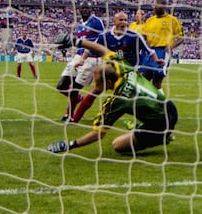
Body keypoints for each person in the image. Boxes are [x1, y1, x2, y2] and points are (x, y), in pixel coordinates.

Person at [47, 33, 178, 155]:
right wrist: (76, 41)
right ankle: (155, 132)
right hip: (170, 108)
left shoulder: (116, 100)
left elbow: (98, 134)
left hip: (161, 124)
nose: (95, 86)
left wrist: (70, 144)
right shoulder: (124, 67)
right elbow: (102, 49)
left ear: (108, 82)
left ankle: (161, 137)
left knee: (118, 145)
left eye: (97, 83)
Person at [70, 11, 160, 122]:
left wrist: (157, 59)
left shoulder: (134, 36)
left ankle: (155, 117)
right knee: (96, 91)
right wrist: (82, 60)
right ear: (114, 21)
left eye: (126, 20)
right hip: (111, 71)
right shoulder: (105, 36)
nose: (124, 22)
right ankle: (75, 119)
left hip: (129, 73)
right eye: (121, 20)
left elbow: (149, 50)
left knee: (139, 96)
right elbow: (91, 48)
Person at [55, 2, 105, 122]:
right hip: (78, 56)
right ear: (79, 10)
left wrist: (85, 56)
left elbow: (100, 40)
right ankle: (77, 99)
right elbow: (80, 42)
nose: (85, 10)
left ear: (91, 10)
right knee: (61, 86)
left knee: (75, 88)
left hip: (91, 58)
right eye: (83, 8)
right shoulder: (79, 25)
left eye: (87, 8)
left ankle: (70, 115)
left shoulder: (96, 22)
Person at [139, 0, 184, 91]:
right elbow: (144, 36)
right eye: (153, 6)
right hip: (150, 52)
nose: (154, 8)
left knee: (156, 81)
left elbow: (181, 37)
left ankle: (161, 103)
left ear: (163, 7)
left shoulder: (172, 20)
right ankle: (147, 102)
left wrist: (172, 46)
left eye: (155, 6)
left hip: (163, 52)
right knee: (143, 79)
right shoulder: (150, 20)